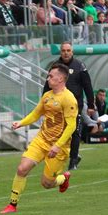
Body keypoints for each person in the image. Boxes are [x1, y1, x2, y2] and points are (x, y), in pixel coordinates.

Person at [0, 64, 76, 214]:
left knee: (47, 183)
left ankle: (63, 179)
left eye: (51, 76)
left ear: (61, 78)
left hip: (58, 147)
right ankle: (12, 205)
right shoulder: (47, 96)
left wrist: (58, 145)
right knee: (22, 169)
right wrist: (21, 123)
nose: (48, 78)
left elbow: (71, 126)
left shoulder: (69, 99)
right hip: (41, 140)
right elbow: (36, 114)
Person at [43, 42, 95, 170]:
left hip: (75, 106)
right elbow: (47, 85)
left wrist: (91, 105)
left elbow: (88, 86)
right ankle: (65, 156)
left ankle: (73, 161)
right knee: (59, 133)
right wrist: (44, 102)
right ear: (60, 52)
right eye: (63, 50)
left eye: (68, 50)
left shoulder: (79, 66)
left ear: (72, 52)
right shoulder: (55, 67)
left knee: (75, 132)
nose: (66, 53)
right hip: (57, 106)